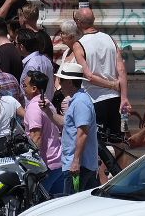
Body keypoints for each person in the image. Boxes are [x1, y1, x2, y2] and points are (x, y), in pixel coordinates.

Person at [73, 7, 125, 136]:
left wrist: (111, 85)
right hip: (115, 98)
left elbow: (89, 75)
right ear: (94, 20)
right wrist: (124, 96)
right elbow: (121, 69)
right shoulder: (110, 39)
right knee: (117, 141)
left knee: (98, 143)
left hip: (94, 99)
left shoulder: (79, 45)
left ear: (78, 22)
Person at [55, 61, 99, 194]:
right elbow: (68, 124)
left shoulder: (80, 102)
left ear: (69, 82)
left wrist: (76, 162)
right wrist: (47, 112)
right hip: (81, 165)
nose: (60, 85)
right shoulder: (78, 100)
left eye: (61, 81)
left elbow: (83, 133)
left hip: (79, 167)